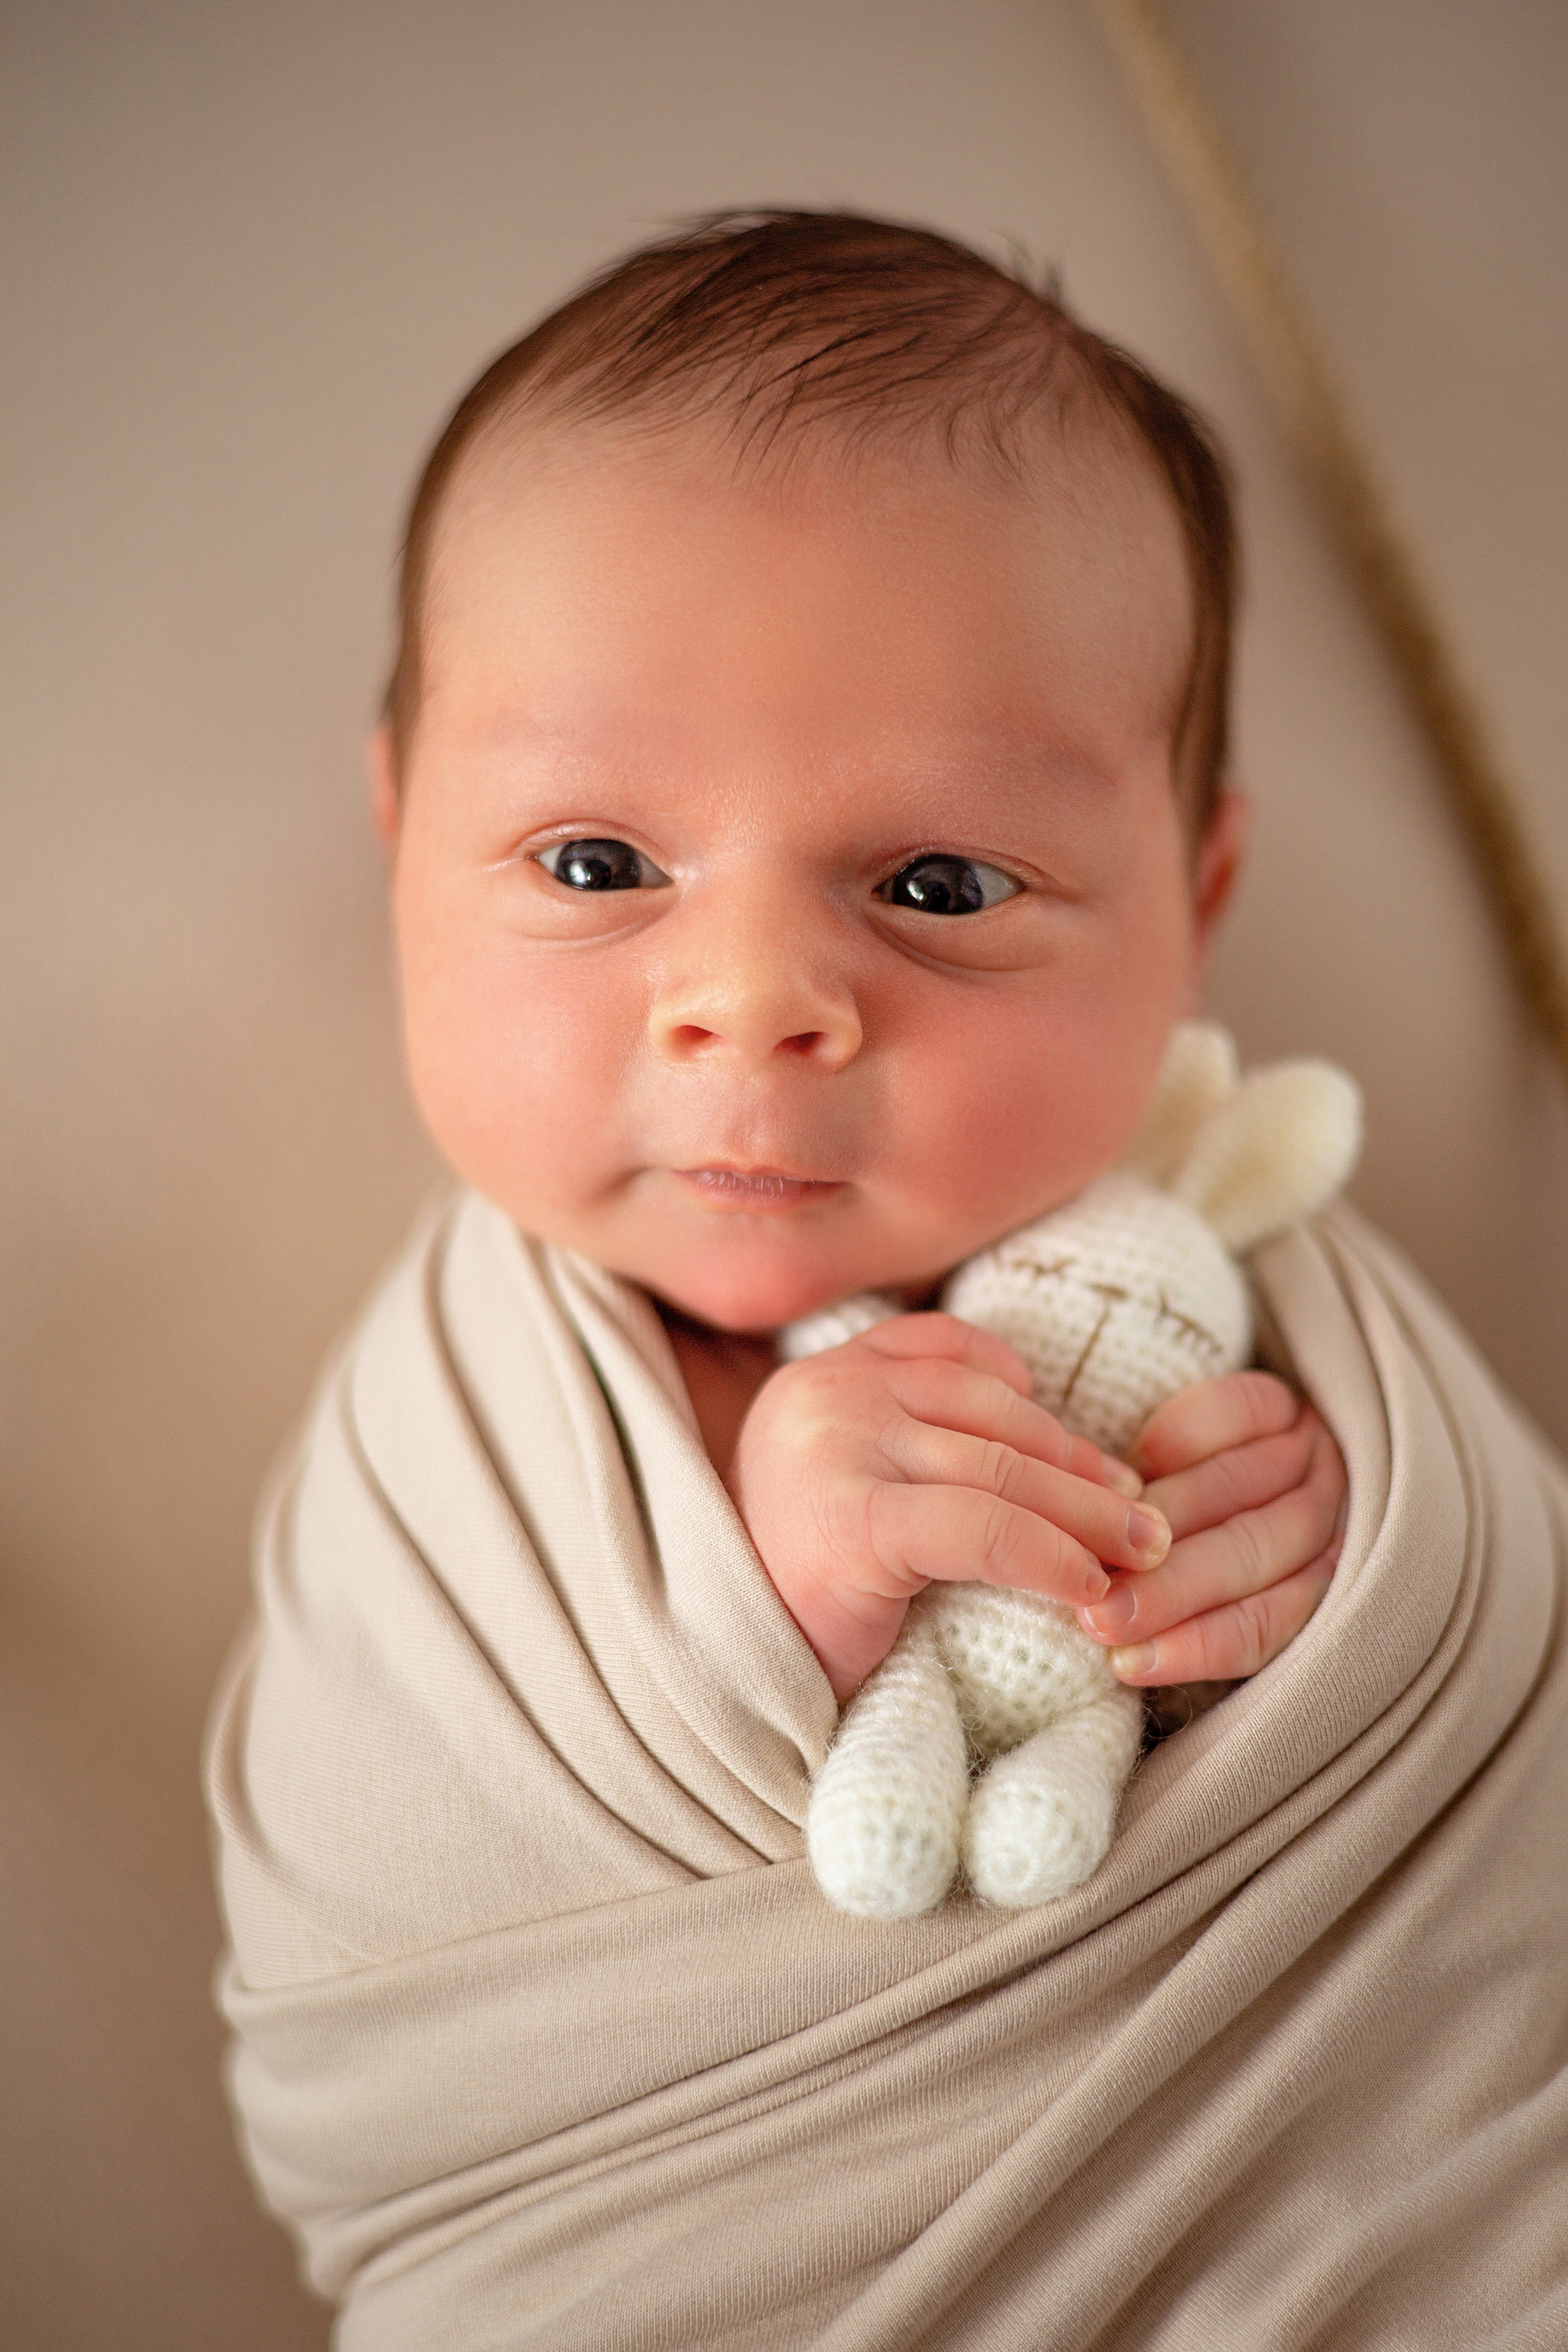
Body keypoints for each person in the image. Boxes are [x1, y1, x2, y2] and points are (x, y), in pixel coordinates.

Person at [206, 213, 1568, 2348]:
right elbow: (391, 1917)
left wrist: (1277, 1594)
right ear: (401, 842)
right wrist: (773, 1617)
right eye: (595, 865)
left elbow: (1463, 1767)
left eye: (938, 883)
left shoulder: (1247, 1292)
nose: (751, 1005)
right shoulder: (454, 1461)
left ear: (1192, 905)